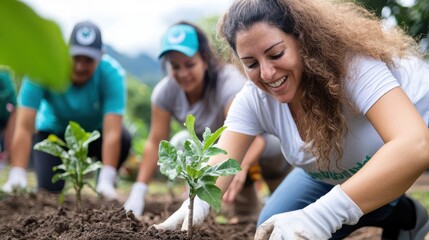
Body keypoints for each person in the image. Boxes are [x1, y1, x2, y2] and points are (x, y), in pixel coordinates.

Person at [153, 0, 429, 239]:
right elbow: (220, 160)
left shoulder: (353, 68)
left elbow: (415, 144)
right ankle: (398, 212)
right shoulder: (253, 98)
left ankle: (394, 208)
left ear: (303, 40)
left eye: (276, 54)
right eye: (251, 63)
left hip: (413, 150)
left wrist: (323, 215)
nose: (268, 73)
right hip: (335, 174)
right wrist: (194, 208)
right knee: (276, 231)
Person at [123, 21, 291, 219]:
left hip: (259, 145)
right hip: (219, 154)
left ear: (205, 59)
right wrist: (139, 190)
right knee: (181, 142)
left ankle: (280, 192)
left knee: (281, 204)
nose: (183, 73)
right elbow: (154, 142)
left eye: (189, 64)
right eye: (175, 67)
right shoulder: (165, 92)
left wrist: (239, 167)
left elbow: (253, 137)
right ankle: (242, 214)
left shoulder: (228, 84)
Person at [1, 21, 131, 199]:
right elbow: (24, 125)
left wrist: (107, 179)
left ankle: (106, 180)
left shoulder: (112, 74)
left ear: (101, 56)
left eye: (88, 60)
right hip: (54, 135)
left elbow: (112, 132)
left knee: (124, 137)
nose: (80, 66)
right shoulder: (43, 69)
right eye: (76, 58)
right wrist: (17, 173)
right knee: (49, 191)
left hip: (94, 137)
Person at [0, 68, 17, 170]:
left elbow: (14, 109)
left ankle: (9, 160)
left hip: (6, 115)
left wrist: (9, 150)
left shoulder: (4, 78)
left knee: (9, 139)